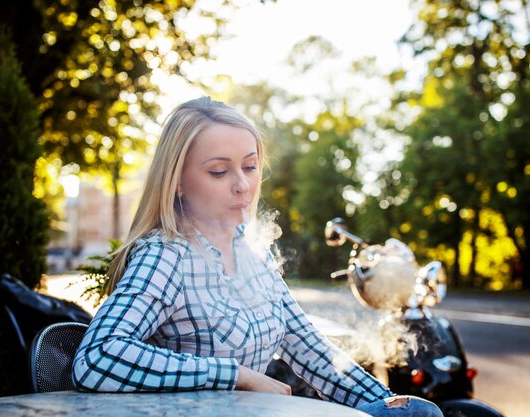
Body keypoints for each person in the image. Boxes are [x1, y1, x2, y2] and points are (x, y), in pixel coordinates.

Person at [72, 97, 443, 417]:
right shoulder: (165, 255)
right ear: (178, 182)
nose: (243, 185)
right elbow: (96, 358)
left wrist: (386, 402)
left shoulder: (251, 249)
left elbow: (308, 348)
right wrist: (234, 376)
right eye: (219, 171)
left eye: (249, 167)